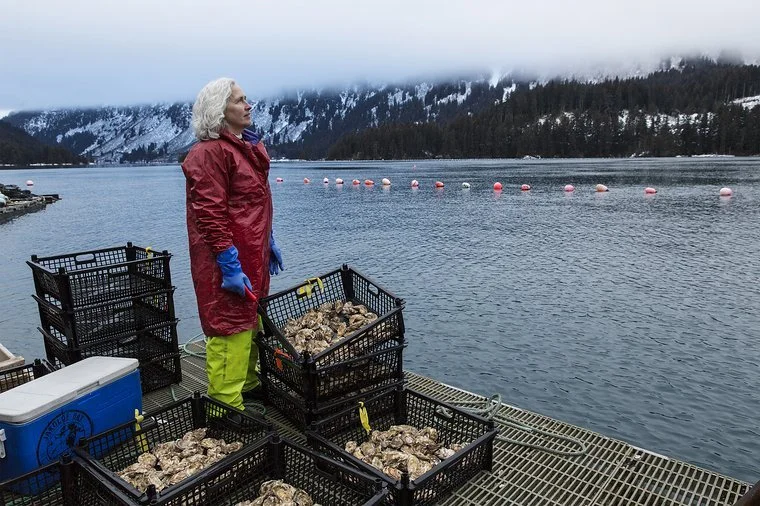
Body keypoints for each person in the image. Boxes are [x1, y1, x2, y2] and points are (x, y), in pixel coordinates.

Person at [182, 77, 284, 410]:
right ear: (219, 111)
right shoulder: (209, 152)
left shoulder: (245, 148)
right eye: (239, 100)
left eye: (246, 98)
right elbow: (209, 215)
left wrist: (268, 240)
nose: (248, 105)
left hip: (252, 252)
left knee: (252, 322)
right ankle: (224, 407)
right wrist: (228, 263)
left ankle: (249, 385)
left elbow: (254, 202)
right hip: (226, 258)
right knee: (229, 328)